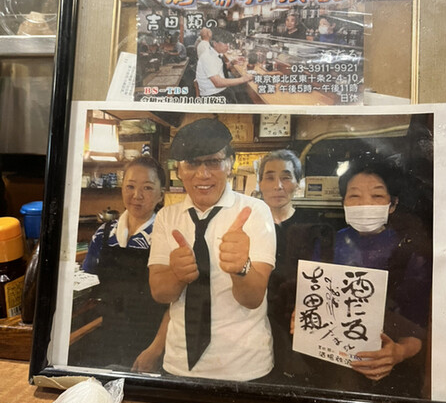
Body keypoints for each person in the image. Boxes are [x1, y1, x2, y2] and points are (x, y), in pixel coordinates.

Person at [148, 118, 276, 381]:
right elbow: (160, 293)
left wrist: (242, 268)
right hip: (179, 364)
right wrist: (177, 275)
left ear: (230, 164)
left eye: (213, 162)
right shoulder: (166, 217)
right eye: (192, 163)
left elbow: (253, 298)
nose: (203, 174)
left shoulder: (255, 212)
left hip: (245, 365)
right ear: (178, 169)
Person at [310, 157, 432, 397]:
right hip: (332, 368)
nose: (365, 203)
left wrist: (398, 352)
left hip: (392, 376)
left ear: (392, 204)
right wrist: (304, 315)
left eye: (376, 195)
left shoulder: (410, 251)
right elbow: (315, 299)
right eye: (354, 195)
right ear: (344, 202)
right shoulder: (327, 244)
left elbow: (420, 325)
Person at [76, 156, 168, 370]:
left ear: (161, 194)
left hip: (151, 340)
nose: (137, 195)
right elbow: (87, 280)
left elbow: (176, 303)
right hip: (108, 335)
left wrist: (155, 350)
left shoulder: (166, 236)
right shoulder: (104, 234)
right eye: (130, 186)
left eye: (147, 188)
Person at [258, 150, 331, 383]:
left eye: (286, 177)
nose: (277, 185)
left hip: (301, 321)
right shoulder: (249, 224)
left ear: (298, 184)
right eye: (269, 177)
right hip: (256, 320)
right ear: (260, 184)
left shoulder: (314, 227)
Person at [195, 28, 253, 103]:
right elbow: (218, 83)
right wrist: (243, 79)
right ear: (215, 43)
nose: (227, 46)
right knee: (244, 93)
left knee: (242, 92)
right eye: (225, 43)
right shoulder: (208, 57)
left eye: (228, 43)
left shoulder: (215, 54)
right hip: (213, 94)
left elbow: (219, 69)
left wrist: (232, 63)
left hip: (219, 89)